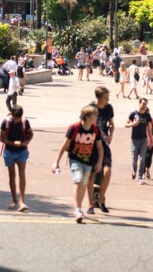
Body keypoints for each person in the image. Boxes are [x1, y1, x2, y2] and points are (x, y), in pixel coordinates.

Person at [52, 105, 104, 223]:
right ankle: (77, 209)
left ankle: (79, 207)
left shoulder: (95, 129)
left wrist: (99, 162)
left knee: (84, 185)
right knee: (78, 181)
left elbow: (100, 148)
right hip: (75, 159)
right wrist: (56, 162)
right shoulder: (75, 128)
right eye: (95, 114)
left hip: (89, 161)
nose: (97, 116)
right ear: (88, 116)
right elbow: (64, 145)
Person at [87, 86, 114, 214]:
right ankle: (90, 203)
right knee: (91, 175)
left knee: (107, 172)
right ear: (99, 97)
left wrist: (110, 135)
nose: (108, 99)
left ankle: (101, 198)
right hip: (92, 144)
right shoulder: (91, 108)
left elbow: (112, 124)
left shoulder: (108, 108)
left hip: (104, 144)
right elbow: (86, 124)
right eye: (105, 97)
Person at [1, 105, 33, 211]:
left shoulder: (25, 122)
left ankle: (22, 202)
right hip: (9, 151)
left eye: (18, 118)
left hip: (22, 151)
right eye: (15, 118)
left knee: (22, 173)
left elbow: (31, 134)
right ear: (12, 115)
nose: (16, 120)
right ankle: (14, 200)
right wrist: (13, 143)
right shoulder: (5, 122)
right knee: (12, 175)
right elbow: (2, 138)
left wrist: (26, 142)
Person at [126, 98, 153, 184]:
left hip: (143, 139)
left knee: (142, 159)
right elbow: (126, 124)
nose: (144, 105)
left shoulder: (147, 115)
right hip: (134, 140)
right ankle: (134, 170)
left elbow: (149, 127)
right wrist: (132, 124)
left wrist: (151, 139)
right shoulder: (133, 114)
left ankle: (140, 176)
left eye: (145, 104)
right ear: (139, 103)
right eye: (143, 103)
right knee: (134, 159)